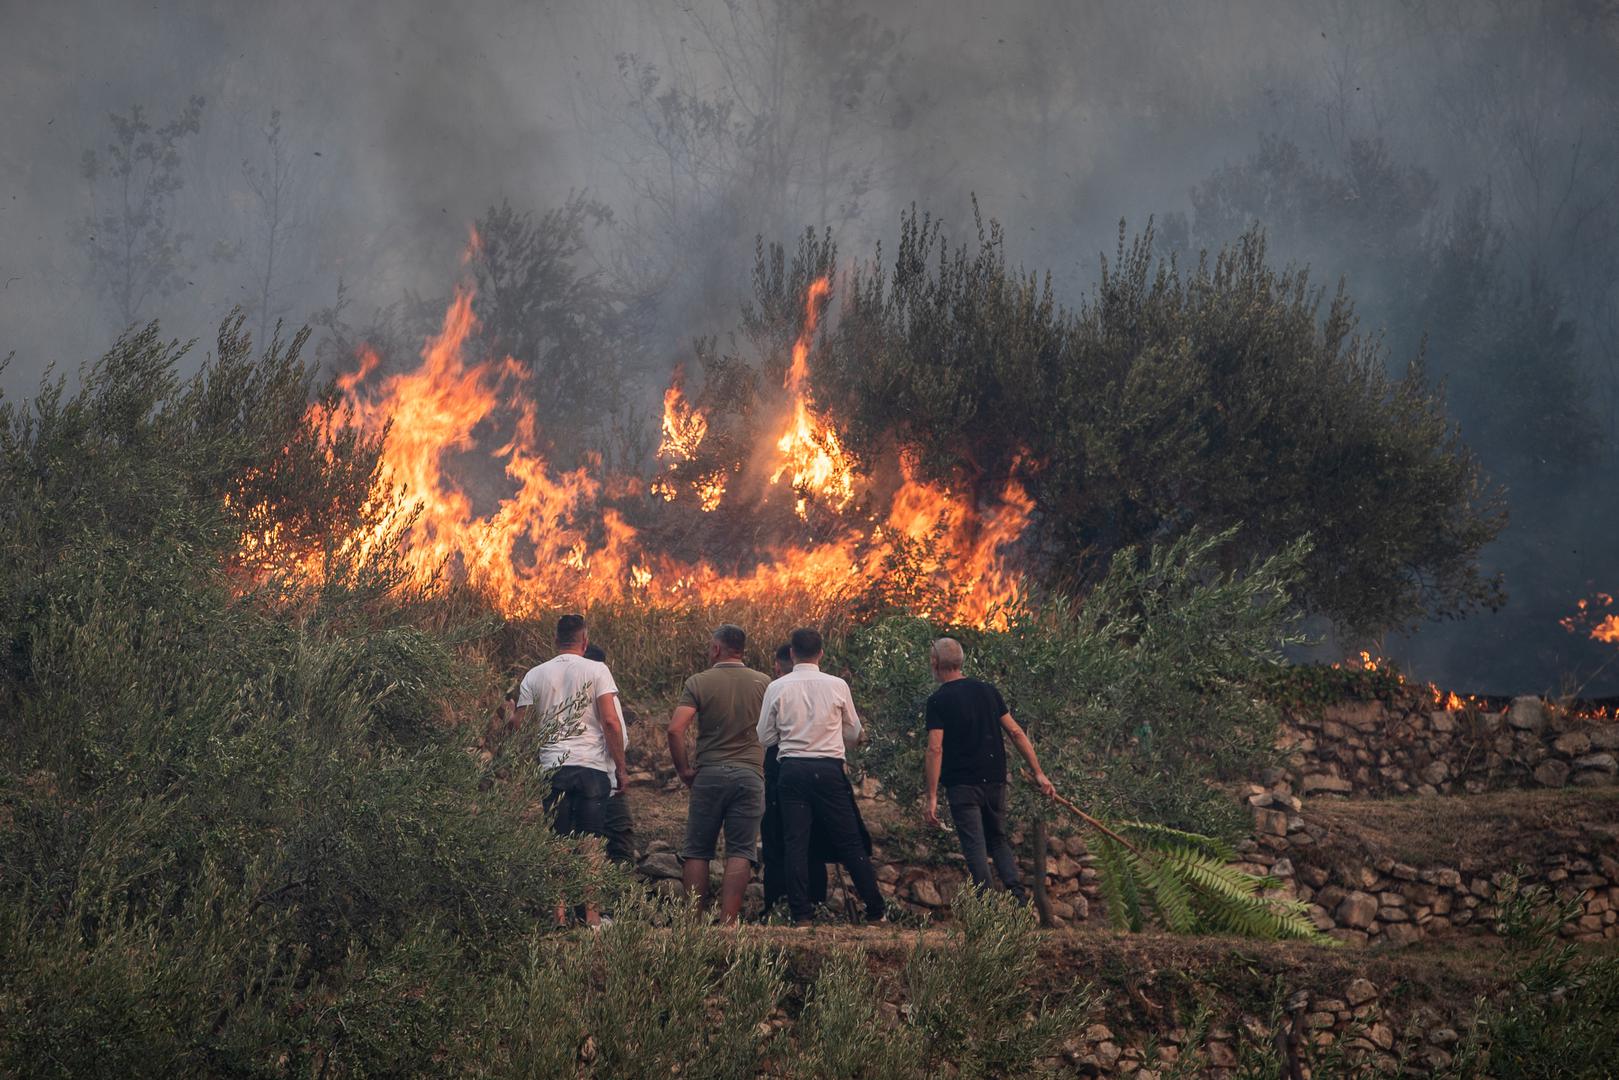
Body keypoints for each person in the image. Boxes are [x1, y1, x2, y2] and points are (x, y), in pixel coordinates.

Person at [758, 627, 885, 925]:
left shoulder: (777, 687)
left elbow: (764, 735)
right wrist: (833, 739)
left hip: (792, 770)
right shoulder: (838, 685)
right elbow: (854, 732)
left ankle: (800, 914)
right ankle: (876, 910)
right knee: (850, 841)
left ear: (791, 653)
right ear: (821, 654)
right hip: (828, 770)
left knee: (795, 842)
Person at [513, 614, 628, 926]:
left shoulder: (534, 675)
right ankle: (592, 918)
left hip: (553, 768)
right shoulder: (597, 670)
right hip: (591, 769)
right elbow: (609, 721)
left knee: (558, 843)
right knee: (591, 842)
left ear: (555, 640)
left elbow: (518, 727)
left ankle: (559, 917)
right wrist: (620, 766)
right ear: (585, 641)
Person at [921, 637, 1056, 903]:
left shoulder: (938, 700)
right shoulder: (988, 691)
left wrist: (932, 796)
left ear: (935, 664)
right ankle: (1018, 897)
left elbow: (935, 749)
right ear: (961, 661)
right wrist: (1039, 772)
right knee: (998, 838)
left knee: (975, 846)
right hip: (994, 780)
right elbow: (1016, 732)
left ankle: (987, 907)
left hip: (962, 784)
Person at [666, 624, 771, 922]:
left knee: (698, 849)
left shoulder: (699, 682)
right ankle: (728, 924)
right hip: (750, 775)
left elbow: (675, 729)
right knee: (741, 850)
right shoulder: (764, 682)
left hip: (709, 775)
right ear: (742, 649)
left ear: (716, 648)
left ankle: (692, 923)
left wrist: (684, 770)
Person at [760, 643, 829, 914]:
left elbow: (764, 736)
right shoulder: (827, 687)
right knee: (812, 838)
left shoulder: (776, 689)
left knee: (778, 836)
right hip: (822, 769)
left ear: (780, 664)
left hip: (783, 768)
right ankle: (816, 902)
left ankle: (777, 904)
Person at [585, 643, 636, 868]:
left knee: (578, 846)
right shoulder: (606, 694)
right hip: (606, 781)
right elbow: (617, 734)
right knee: (619, 847)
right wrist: (621, 770)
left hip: (569, 781)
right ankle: (619, 900)